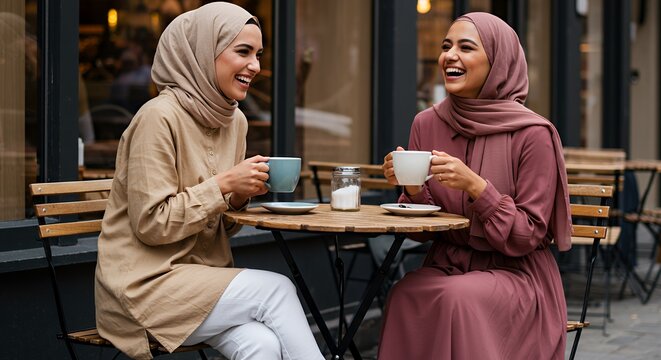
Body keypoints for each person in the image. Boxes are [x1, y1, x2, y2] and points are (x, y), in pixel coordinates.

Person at [94, 3, 324, 360]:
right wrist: (223, 186)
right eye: (243, 51)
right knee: (276, 291)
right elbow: (151, 224)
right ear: (202, 51)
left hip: (204, 280)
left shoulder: (235, 121)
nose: (256, 66)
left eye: (259, 54)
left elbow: (219, 229)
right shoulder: (158, 118)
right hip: (145, 286)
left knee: (260, 344)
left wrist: (236, 197)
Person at [379, 12, 572, 360]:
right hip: (448, 264)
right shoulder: (427, 122)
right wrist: (410, 187)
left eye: (466, 47)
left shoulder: (534, 134)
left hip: (517, 274)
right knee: (404, 293)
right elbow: (422, 232)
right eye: (446, 46)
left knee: (458, 298)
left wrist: (477, 188)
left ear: (498, 62)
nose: (450, 55)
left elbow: (529, 234)